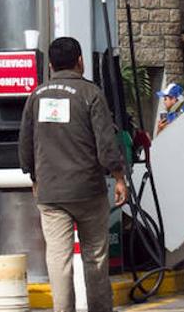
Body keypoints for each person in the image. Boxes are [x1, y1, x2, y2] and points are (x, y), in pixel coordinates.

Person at [19, 37, 127, 312]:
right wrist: (118, 178)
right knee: (95, 257)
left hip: (51, 192)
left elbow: (26, 143)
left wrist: (33, 177)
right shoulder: (91, 93)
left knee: (58, 258)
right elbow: (106, 143)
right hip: (88, 191)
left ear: (51, 65)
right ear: (80, 61)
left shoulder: (37, 95)